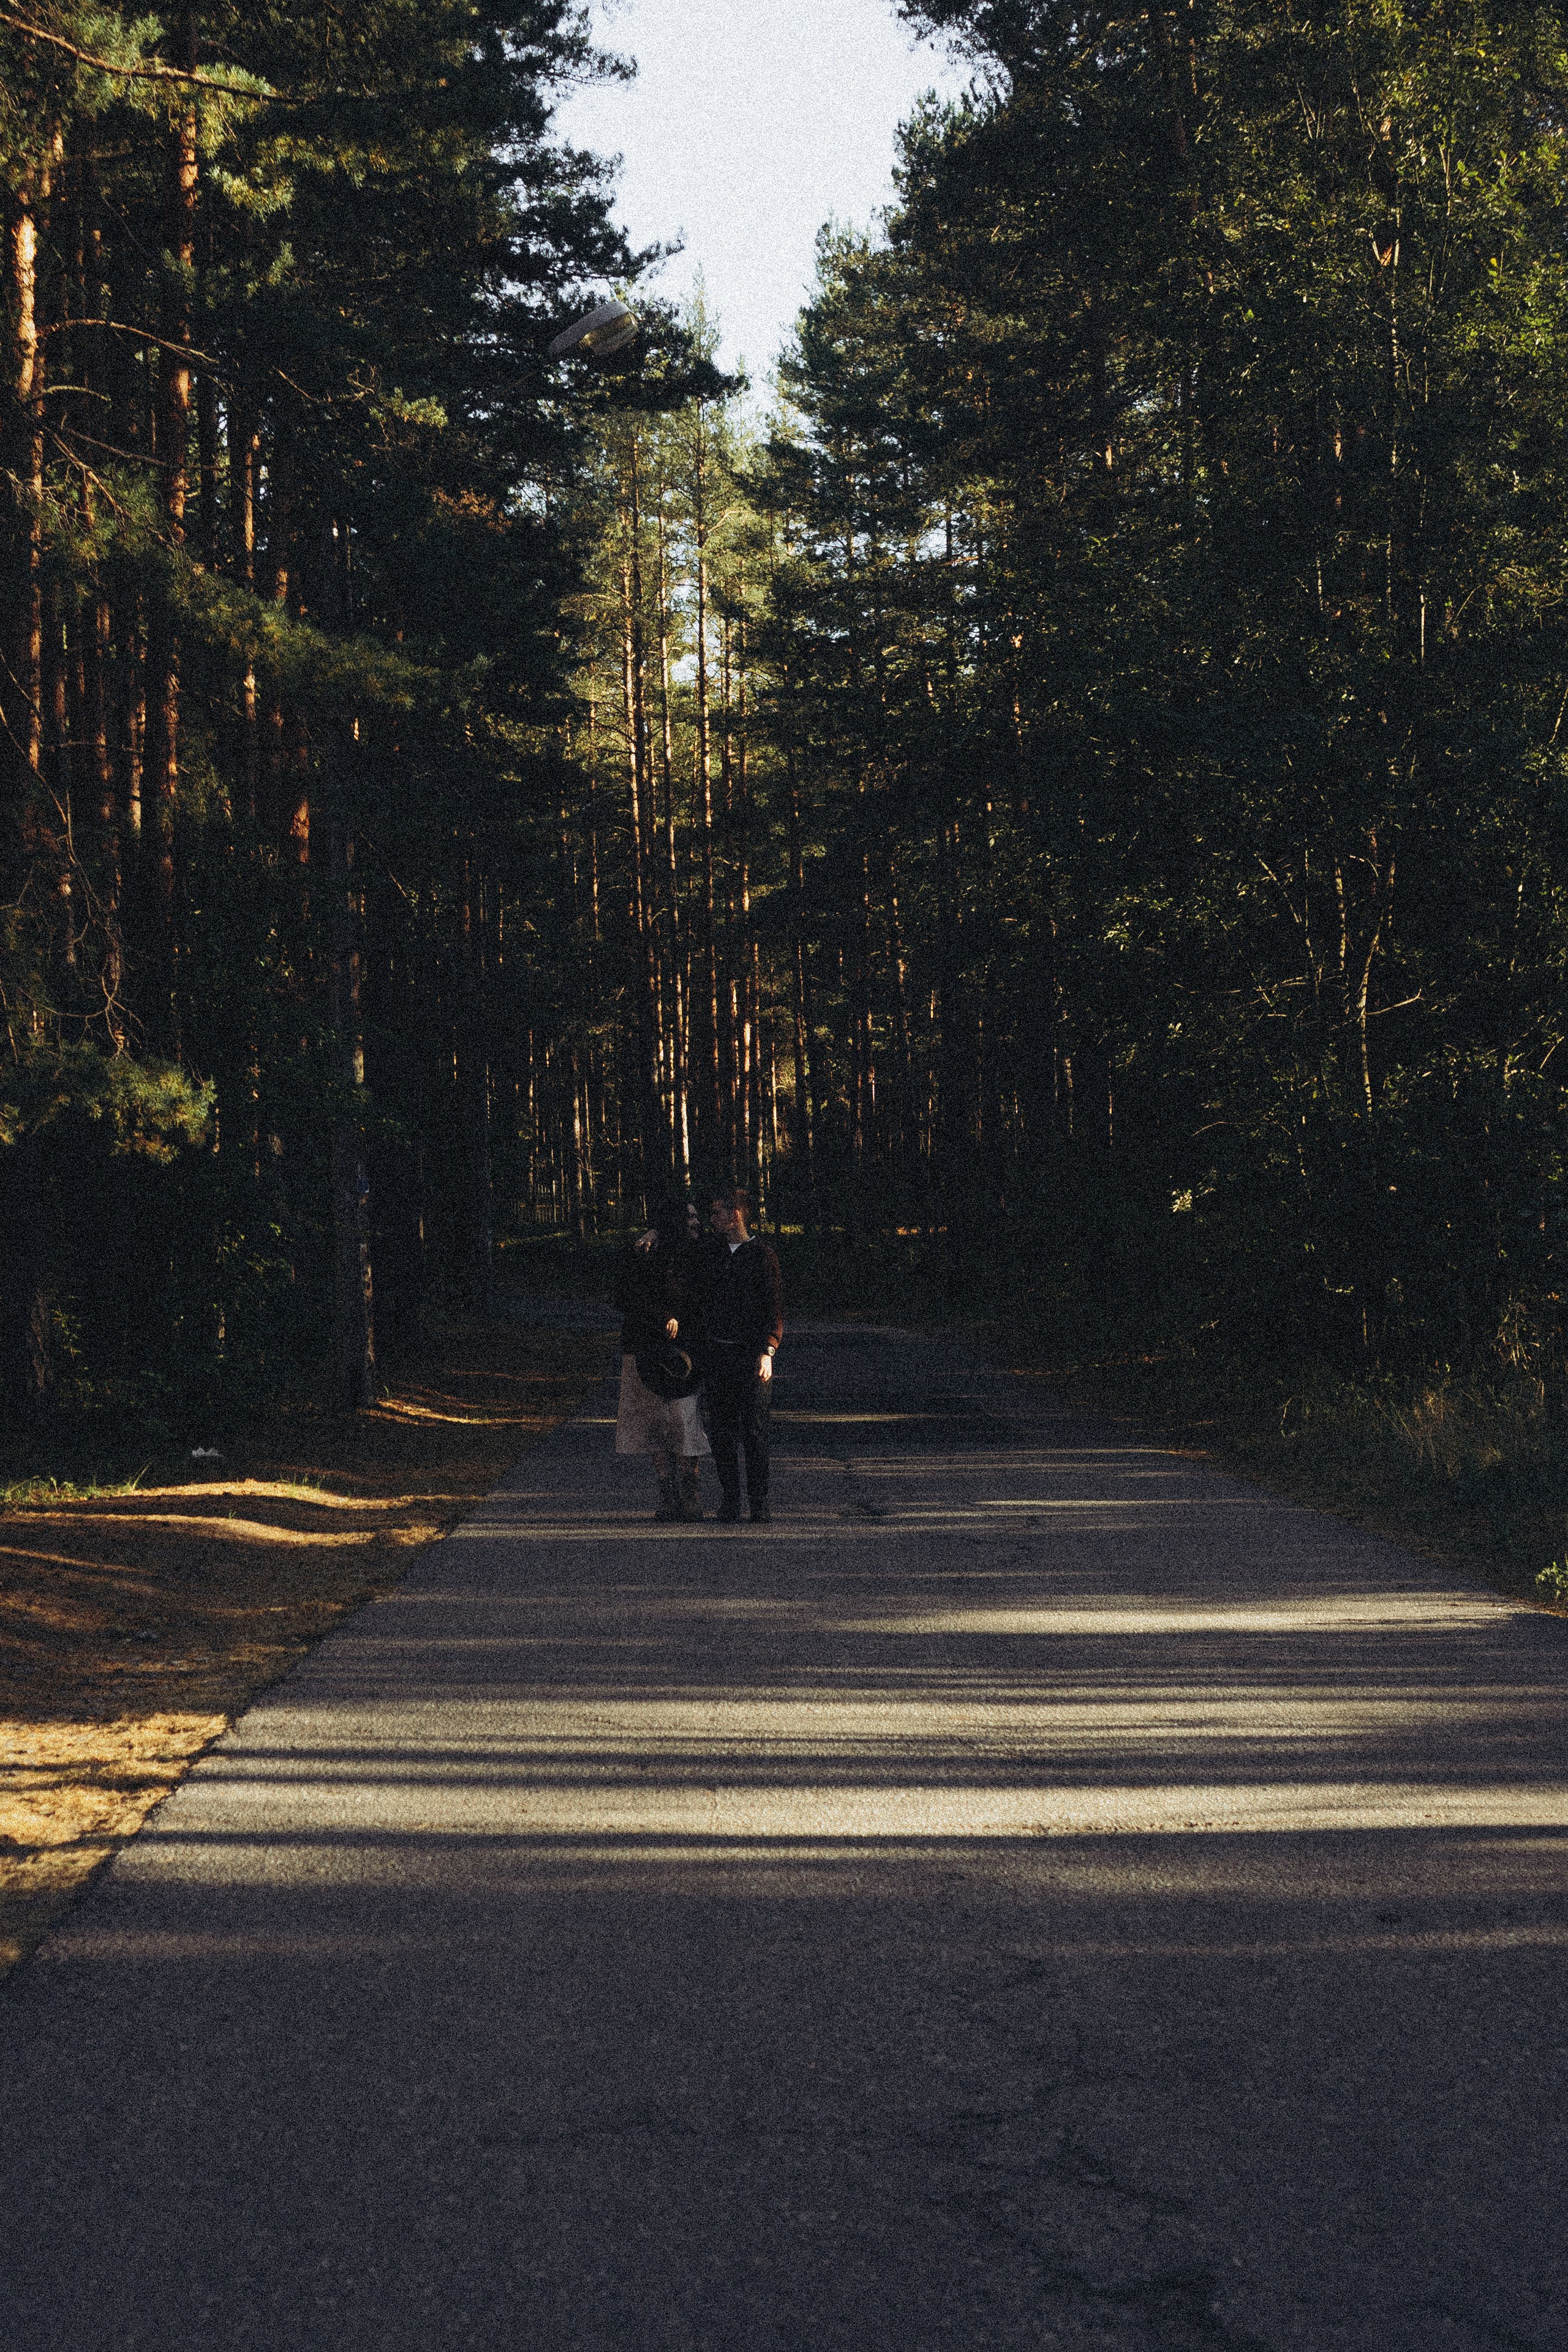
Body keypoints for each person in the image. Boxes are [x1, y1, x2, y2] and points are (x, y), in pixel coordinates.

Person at [613, 1194, 710, 1521]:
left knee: (685, 1420)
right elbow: (624, 1296)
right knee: (653, 1425)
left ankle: (691, 1494)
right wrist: (661, 1316)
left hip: (686, 1354)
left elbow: (703, 1299)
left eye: (697, 1216)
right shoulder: (644, 1253)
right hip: (645, 1351)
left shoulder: (700, 1253)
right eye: (689, 1217)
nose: (696, 1222)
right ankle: (669, 1496)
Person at [696, 1187, 784, 1524]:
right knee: (722, 1432)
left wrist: (768, 1350)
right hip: (718, 1356)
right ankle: (731, 1499)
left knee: (755, 1431)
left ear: (735, 1216)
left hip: (751, 1357)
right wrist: (654, 1232)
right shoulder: (711, 1252)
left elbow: (773, 1307)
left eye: (717, 1212)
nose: (711, 1219)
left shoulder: (762, 1256)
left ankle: (759, 1502)